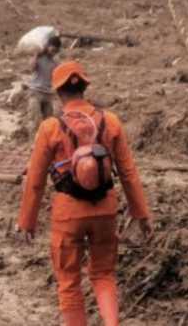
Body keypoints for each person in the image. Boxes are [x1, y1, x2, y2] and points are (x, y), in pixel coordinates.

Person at [18, 61, 153, 326]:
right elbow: (128, 173)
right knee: (104, 274)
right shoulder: (111, 121)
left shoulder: (50, 128)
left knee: (69, 282)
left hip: (68, 213)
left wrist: (27, 222)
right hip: (105, 209)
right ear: (85, 87)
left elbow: (35, 181)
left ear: (58, 93)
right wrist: (141, 213)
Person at [26, 35, 61, 130]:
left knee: (48, 123)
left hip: (48, 94)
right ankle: (33, 142)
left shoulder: (55, 62)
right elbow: (31, 68)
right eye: (52, 50)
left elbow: (57, 77)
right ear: (47, 46)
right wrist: (35, 55)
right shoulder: (39, 57)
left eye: (55, 51)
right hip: (35, 92)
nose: (53, 53)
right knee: (35, 121)